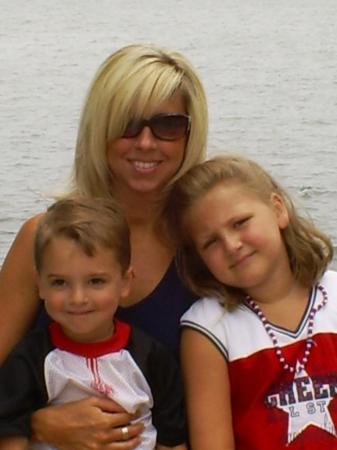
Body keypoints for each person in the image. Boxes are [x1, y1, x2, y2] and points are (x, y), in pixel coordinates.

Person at [0, 43, 208, 449]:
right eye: (127, 124)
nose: (146, 142)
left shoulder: (208, 247)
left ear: (189, 132)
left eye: (167, 125)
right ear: (99, 128)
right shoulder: (40, 239)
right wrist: (38, 426)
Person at [167, 154, 335, 450]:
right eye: (211, 242)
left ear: (278, 209)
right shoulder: (208, 328)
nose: (232, 245)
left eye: (240, 223)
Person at [0, 197, 187, 450]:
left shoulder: (152, 359)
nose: (78, 298)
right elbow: (10, 434)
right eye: (59, 283)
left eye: (96, 281)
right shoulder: (29, 360)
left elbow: (172, 439)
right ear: (40, 285)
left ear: (125, 283)